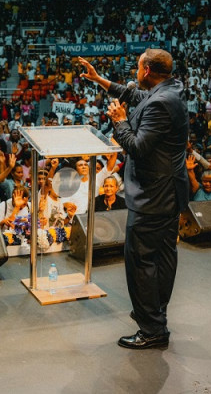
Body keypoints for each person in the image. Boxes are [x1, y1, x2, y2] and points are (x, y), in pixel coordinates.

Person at [79, 50, 189, 350]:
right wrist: (98, 79)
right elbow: (136, 95)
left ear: (146, 70)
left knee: (141, 261)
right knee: (164, 257)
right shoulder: (171, 90)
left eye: (138, 66)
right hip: (170, 190)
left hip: (153, 195)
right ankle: (157, 313)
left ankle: (152, 328)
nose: (135, 71)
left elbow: (137, 148)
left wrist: (119, 121)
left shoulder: (160, 104)